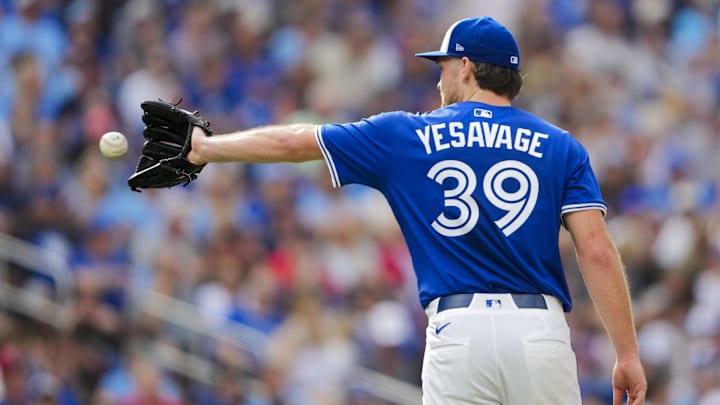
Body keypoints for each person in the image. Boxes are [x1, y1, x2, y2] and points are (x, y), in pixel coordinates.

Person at [186, 16, 647, 405]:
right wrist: (626, 353)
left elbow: (294, 142)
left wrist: (206, 148)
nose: (438, 77)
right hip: (538, 330)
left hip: (457, 333)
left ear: (466, 66)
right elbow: (598, 253)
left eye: (443, 65)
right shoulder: (561, 146)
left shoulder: (403, 135)